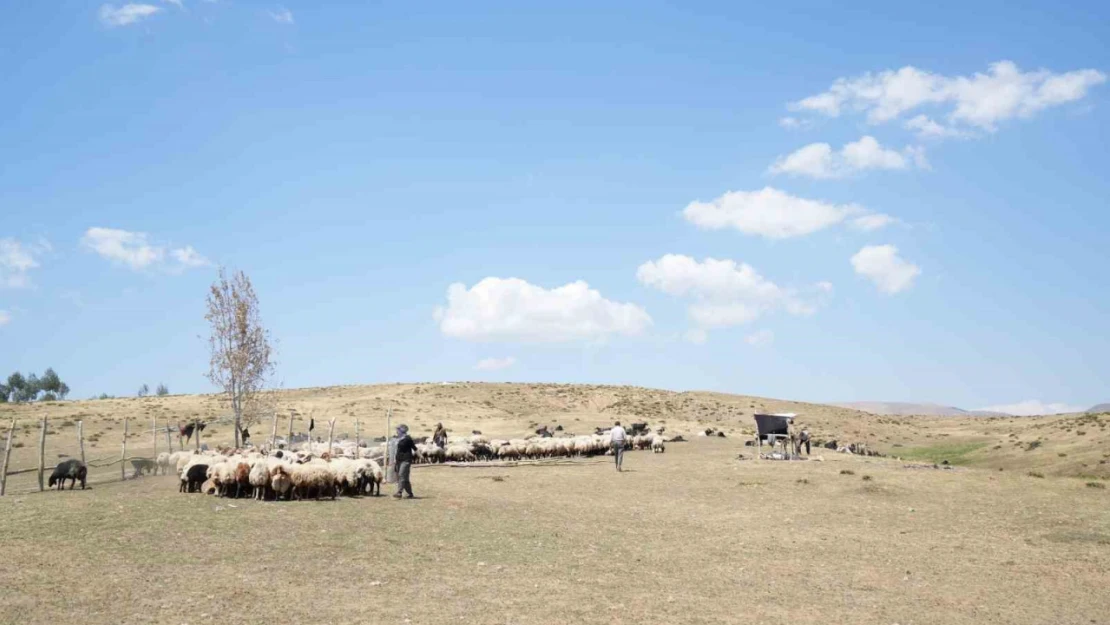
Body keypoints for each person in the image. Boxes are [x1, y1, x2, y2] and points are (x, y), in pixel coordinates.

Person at [393, 424, 417, 499]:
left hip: (406, 460)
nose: (396, 431)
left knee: (401, 475)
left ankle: (399, 492)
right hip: (399, 460)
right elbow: (398, 450)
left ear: (402, 431)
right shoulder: (398, 439)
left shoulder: (408, 439)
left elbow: (414, 448)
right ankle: (410, 493)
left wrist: (421, 456)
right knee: (405, 479)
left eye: (398, 430)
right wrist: (395, 460)